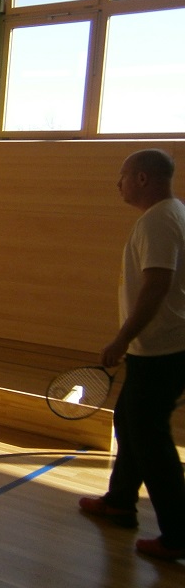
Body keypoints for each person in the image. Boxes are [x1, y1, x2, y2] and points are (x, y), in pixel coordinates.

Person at [79, 148, 185, 561]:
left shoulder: (157, 220)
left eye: (123, 176)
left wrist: (123, 338)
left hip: (161, 349)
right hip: (164, 347)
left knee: (150, 437)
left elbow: (157, 284)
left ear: (142, 178)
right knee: (129, 421)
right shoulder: (175, 213)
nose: (118, 184)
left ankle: (177, 533)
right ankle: (120, 501)